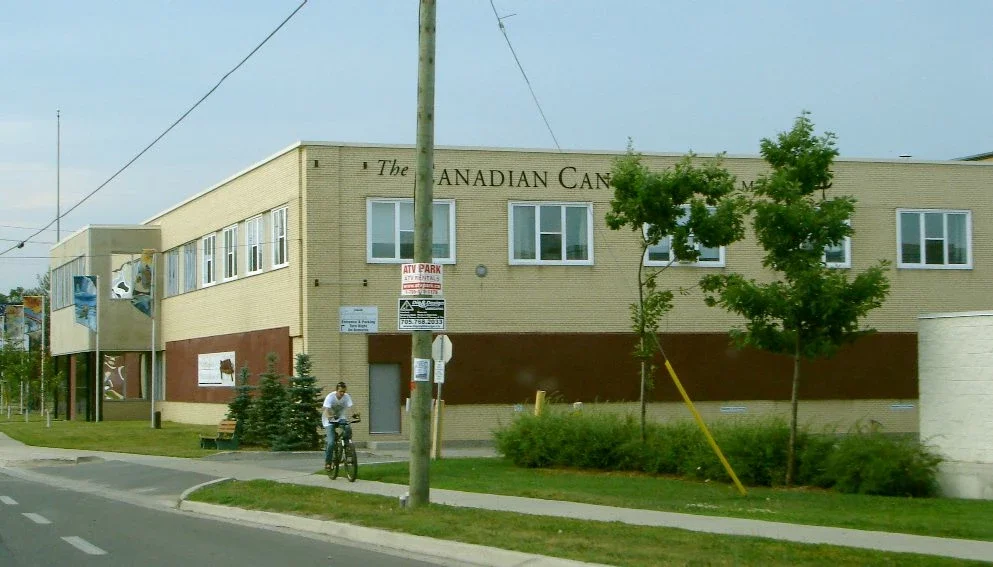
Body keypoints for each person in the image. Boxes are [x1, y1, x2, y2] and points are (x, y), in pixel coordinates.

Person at [323, 381, 355, 470]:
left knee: (347, 427)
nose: (342, 394)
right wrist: (329, 416)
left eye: (343, 392)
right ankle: (328, 462)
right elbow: (326, 409)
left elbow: (352, 407)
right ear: (336, 390)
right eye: (340, 391)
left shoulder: (346, 397)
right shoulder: (330, 397)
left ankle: (347, 446)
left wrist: (354, 414)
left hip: (340, 417)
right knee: (331, 442)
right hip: (329, 419)